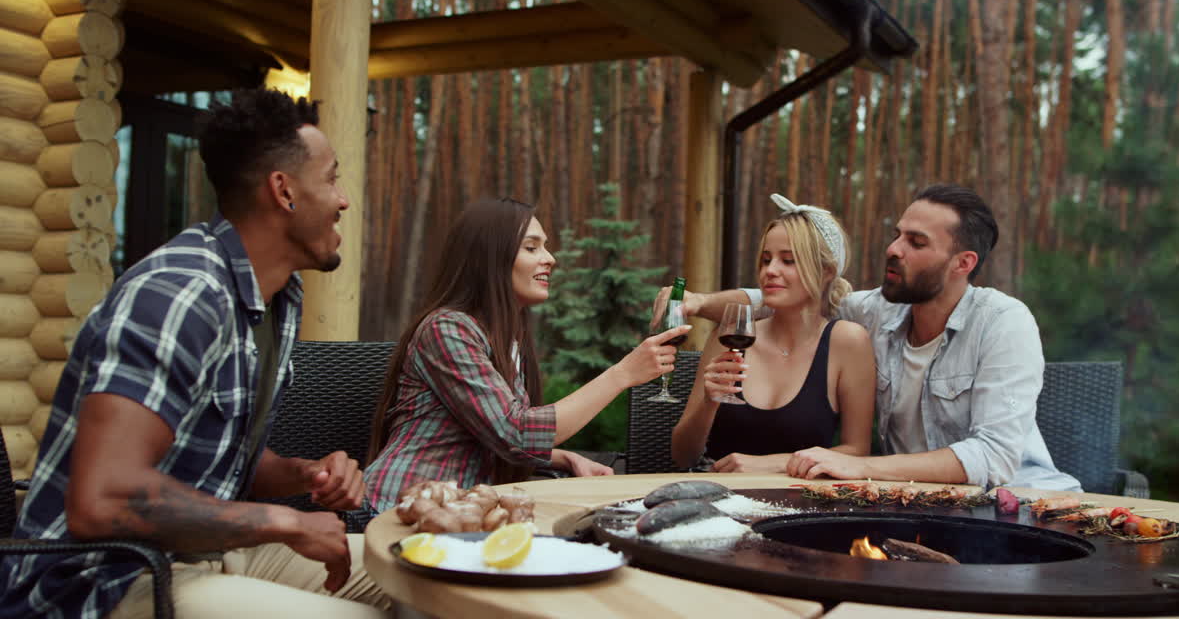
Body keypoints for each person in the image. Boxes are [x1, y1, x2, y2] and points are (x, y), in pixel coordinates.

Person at [0, 88, 422, 619]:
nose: (343, 199)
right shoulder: (178, 294)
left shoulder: (272, 300)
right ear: (284, 191)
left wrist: (305, 476)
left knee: (422, 578)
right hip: (90, 601)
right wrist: (281, 523)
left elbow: (221, 469)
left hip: (193, 557)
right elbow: (101, 499)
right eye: (332, 179)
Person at [668, 184, 1080, 491]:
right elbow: (790, 298)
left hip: (1021, 504)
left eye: (916, 243)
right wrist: (701, 302)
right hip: (915, 503)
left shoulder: (1004, 322)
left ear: (962, 263)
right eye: (898, 234)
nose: (893, 248)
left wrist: (858, 466)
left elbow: (993, 457)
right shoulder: (875, 311)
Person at [364, 197, 689, 510]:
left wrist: (563, 457)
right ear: (490, 257)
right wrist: (623, 375)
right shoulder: (447, 329)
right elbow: (515, 432)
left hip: (460, 511)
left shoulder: (506, 339)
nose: (550, 258)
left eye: (544, 246)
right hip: (398, 507)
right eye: (532, 247)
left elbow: (490, 431)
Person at [670, 194, 875, 473]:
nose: (770, 271)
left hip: (804, 502)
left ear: (826, 272)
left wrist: (775, 464)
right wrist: (708, 402)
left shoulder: (847, 342)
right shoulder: (729, 335)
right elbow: (683, 458)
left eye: (788, 261)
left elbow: (857, 451)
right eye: (766, 260)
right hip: (721, 497)